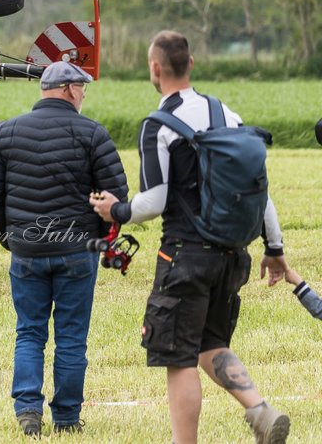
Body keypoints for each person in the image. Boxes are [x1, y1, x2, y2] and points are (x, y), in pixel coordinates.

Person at [90, 30, 291, 444]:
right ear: (192, 64)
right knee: (210, 343)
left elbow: (155, 200)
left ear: (155, 69)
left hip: (184, 256)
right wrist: (275, 249)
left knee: (179, 359)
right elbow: (259, 192)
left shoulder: (157, 125)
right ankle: (259, 411)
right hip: (232, 256)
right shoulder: (228, 115)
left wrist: (117, 210)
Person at [0, 60, 128, 437]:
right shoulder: (92, 134)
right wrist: (100, 236)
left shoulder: (8, 133)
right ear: (69, 90)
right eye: (83, 88)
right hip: (78, 251)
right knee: (72, 337)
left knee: (29, 332)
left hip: (26, 252)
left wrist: (9, 237)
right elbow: (117, 198)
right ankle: (66, 418)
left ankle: (28, 408)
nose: (84, 95)